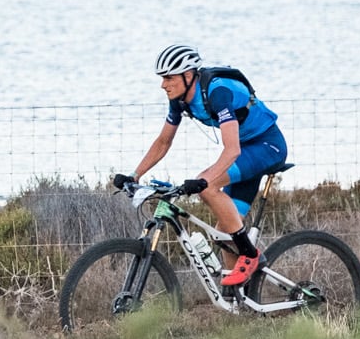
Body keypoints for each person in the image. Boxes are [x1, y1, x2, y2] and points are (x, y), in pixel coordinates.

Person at [116, 46, 288, 288]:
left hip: (267, 146)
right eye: (162, 78)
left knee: (208, 187)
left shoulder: (217, 93)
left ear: (188, 76)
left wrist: (205, 180)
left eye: (168, 78)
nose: (163, 85)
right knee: (226, 232)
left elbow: (232, 150)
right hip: (247, 150)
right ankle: (237, 303)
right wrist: (134, 175)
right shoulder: (179, 101)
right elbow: (164, 141)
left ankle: (250, 254)